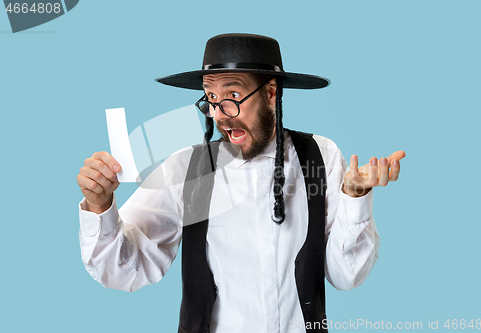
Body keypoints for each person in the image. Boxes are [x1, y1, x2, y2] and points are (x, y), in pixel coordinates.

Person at [77, 33, 405, 333]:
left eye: (233, 94)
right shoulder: (184, 170)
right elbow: (122, 271)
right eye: (211, 97)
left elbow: (346, 275)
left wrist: (355, 195)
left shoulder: (322, 157)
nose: (221, 113)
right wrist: (99, 204)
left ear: (272, 93)